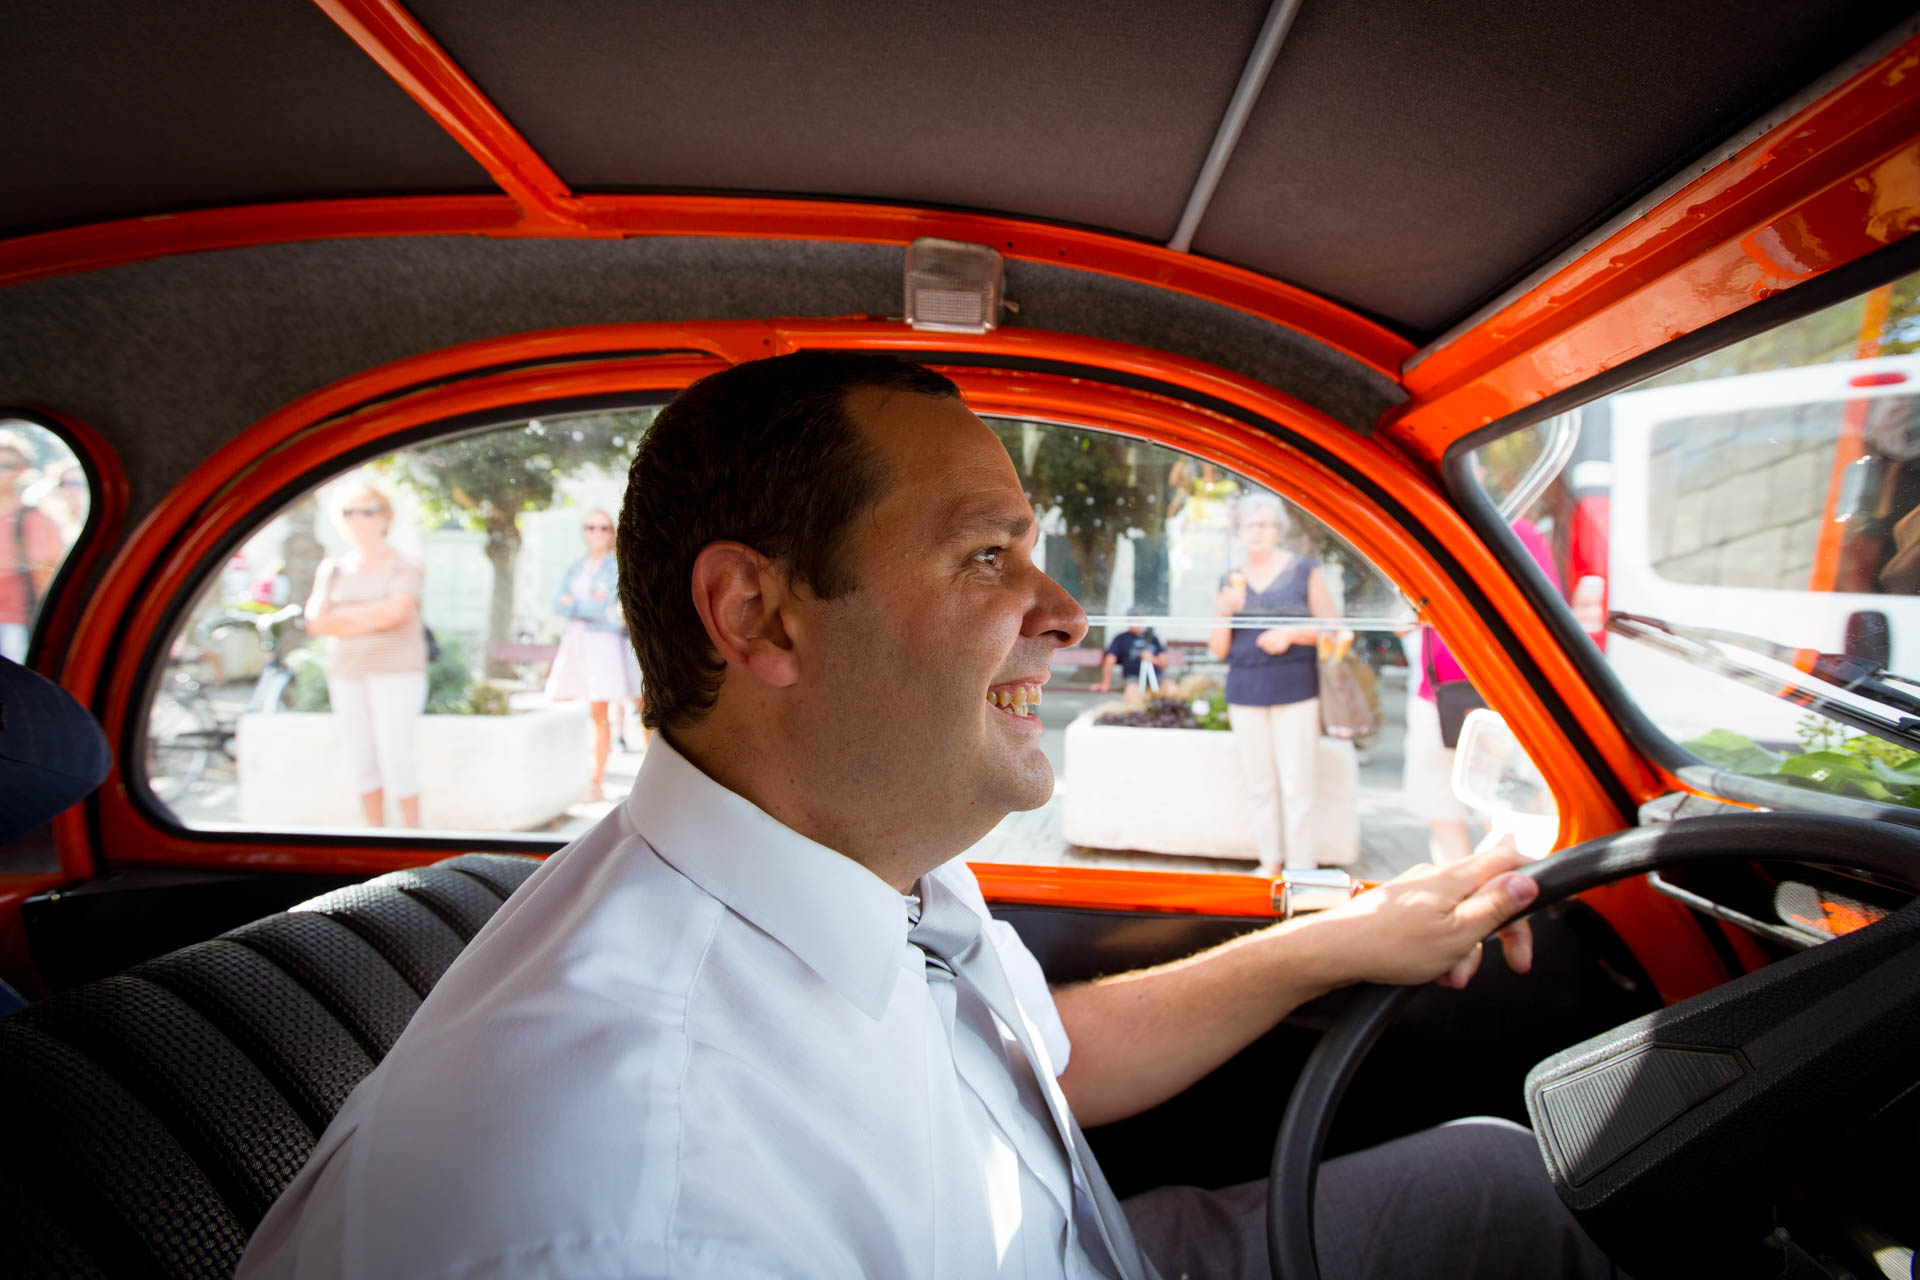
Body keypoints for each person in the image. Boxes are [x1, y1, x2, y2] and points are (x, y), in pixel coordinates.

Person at [240, 354, 1609, 1280]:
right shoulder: (639, 1198)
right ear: (758, 614)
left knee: (1508, 1182)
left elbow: (1035, 1059)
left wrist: (1341, 938)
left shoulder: (852, 858)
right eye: (987, 556)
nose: (1067, 615)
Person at [1408, 517, 1560, 865]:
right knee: (1441, 812)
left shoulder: (1515, 531)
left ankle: (1504, 901)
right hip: (1433, 698)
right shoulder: (1424, 526)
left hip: (1497, 700)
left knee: (1502, 815)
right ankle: (1459, 895)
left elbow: (1541, 612)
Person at [1208, 492, 1340, 875]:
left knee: (1299, 784)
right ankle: (1270, 863)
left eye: (1265, 524)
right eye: (1249, 525)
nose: (1257, 532)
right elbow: (1219, 649)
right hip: (1245, 689)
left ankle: (1301, 867)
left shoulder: (1304, 571)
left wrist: (1292, 633)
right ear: (1239, 532)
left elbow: (1334, 630)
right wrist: (1222, 610)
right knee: (1260, 784)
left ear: (1279, 529)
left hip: (1296, 688)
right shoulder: (1229, 580)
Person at [303, 484, 427, 829]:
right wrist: (371, 615)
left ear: (385, 516)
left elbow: (397, 611)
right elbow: (315, 621)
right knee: (362, 757)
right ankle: (375, 835)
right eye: (349, 512)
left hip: (396, 670)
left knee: (397, 755)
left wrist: (342, 618)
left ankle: (412, 839)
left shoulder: (405, 564)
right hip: (346, 672)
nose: (359, 519)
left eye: (368, 510)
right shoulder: (333, 569)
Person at [546, 508, 646, 796]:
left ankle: (645, 780)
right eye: (591, 527)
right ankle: (597, 779)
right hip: (581, 643)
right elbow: (558, 604)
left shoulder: (616, 566)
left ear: (612, 532)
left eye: (603, 528)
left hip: (610, 645)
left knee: (640, 708)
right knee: (596, 712)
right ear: (583, 531)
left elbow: (609, 610)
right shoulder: (575, 566)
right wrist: (587, 604)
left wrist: (577, 604)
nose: (597, 533)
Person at [0, 432, 64, 662]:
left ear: (22, 471)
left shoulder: (33, 519)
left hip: (14, 622)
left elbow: (45, 574)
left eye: (6, 465)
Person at [1092, 616, 1170, 694]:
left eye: (1138, 619)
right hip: (1132, 678)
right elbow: (1110, 659)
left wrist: (1152, 659)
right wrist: (1105, 684)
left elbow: (1164, 663)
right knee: (1132, 694)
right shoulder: (1121, 638)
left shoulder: (1152, 638)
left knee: (1171, 690)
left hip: (1156, 677)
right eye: (1133, 619)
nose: (1135, 622)